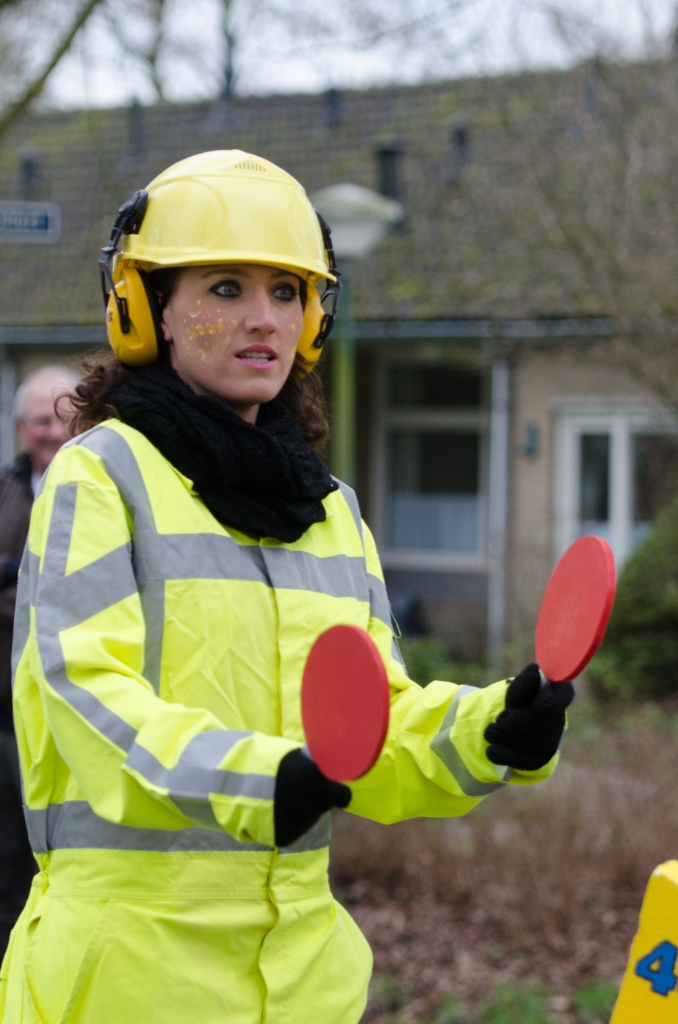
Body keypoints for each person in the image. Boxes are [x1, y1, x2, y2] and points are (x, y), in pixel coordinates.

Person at [0, 151, 572, 1024]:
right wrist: (262, 778)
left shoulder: (330, 510)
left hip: (305, 988)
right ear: (146, 307)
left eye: (288, 291)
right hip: (129, 982)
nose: (263, 318)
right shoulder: (100, 477)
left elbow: (369, 728)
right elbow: (89, 702)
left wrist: (489, 731)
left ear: (314, 317)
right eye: (225, 288)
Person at [0, 366, 76, 959]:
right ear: (23, 427)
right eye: (42, 421)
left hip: (72, 703)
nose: (54, 432)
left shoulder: (101, 485)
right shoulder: (5, 490)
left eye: (65, 417)